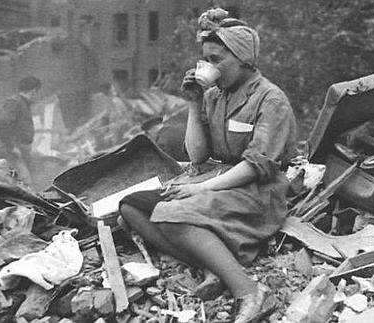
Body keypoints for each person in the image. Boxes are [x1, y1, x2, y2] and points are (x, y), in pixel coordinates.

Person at [119, 8, 297, 323]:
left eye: (217, 60)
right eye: (206, 59)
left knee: (173, 217)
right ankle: (213, 263)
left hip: (256, 189)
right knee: (131, 207)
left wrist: (199, 188)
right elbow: (198, 157)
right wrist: (193, 102)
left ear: (244, 59)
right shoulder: (215, 96)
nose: (209, 67)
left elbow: (257, 166)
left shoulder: (270, 100)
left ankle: (249, 290)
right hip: (218, 177)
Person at [0, 76, 42, 187]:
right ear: (33, 91)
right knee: (24, 183)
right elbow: (3, 124)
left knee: (25, 181)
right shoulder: (15, 102)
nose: (37, 96)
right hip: (14, 151)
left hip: (21, 150)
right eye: (37, 92)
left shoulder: (22, 103)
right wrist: (11, 147)